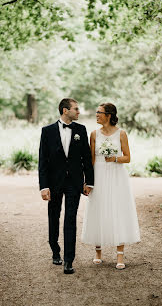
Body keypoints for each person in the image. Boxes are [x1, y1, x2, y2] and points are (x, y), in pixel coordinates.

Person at [81, 103, 140, 269]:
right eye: (96, 112)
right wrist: (88, 181)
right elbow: (91, 160)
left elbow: (127, 157)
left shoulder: (121, 134)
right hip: (98, 175)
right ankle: (98, 252)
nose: (96, 115)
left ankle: (120, 256)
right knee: (98, 209)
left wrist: (114, 158)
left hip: (116, 176)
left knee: (118, 210)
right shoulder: (93, 134)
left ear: (109, 115)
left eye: (99, 113)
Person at [38, 98, 94, 274]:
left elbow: (86, 158)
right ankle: (55, 250)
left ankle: (69, 260)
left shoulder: (81, 130)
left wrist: (89, 181)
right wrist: (44, 186)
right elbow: (43, 161)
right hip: (54, 183)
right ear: (65, 110)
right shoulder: (47, 131)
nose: (78, 112)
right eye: (76, 109)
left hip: (74, 183)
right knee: (54, 216)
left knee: (70, 219)